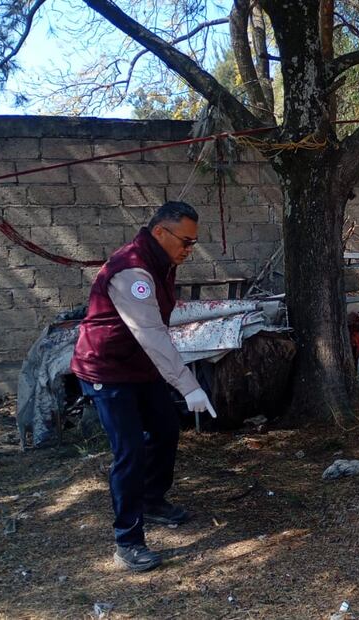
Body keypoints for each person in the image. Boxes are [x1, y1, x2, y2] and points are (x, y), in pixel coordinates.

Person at [71, 201, 218, 572]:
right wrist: (189, 385)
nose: (189, 250)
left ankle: (152, 500)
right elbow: (150, 333)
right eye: (185, 242)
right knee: (130, 450)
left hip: (140, 367)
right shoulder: (132, 270)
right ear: (159, 233)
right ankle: (128, 541)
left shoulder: (161, 262)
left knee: (167, 428)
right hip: (107, 369)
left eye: (193, 244)